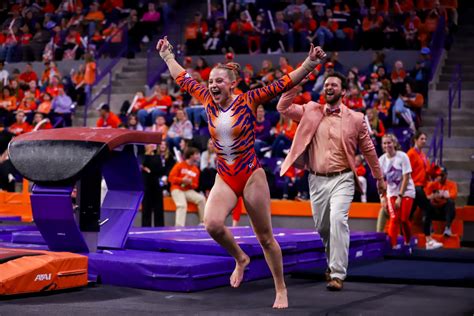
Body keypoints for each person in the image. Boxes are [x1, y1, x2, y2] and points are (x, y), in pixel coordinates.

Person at [157, 35, 326, 308]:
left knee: (265, 238)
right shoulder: (206, 99)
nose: (212, 85)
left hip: (250, 175)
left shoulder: (249, 100)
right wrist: (167, 56)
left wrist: (310, 63)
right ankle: (240, 258)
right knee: (212, 224)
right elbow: (182, 79)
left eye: (219, 81)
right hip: (225, 174)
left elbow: (283, 83)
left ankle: (280, 288)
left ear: (232, 83)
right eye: (211, 81)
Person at [276, 72, 386, 291]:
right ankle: (332, 263)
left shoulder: (356, 118)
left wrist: (379, 177)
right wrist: (295, 85)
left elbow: (369, 150)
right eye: (326, 84)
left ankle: (337, 273)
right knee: (323, 227)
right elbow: (282, 108)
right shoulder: (310, 110)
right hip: (316, 180)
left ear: (343, 91)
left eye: (334, 84)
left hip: (342, 178)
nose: (329, 87)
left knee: (337, 220)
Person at [407, 131, 442, 250]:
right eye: (422, 139)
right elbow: (407, 172)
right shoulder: (410, 154)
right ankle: (428, 240)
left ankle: (401, 238)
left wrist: (435, 169)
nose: (424, 141)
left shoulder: (423, 155)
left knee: (408, 215)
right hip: (414, 187)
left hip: (420, 187)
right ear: (415, 140)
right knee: (429, 209)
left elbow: (427, 173)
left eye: (425, 139)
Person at [378, 134, 415, 249]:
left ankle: (408, 242)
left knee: (403, 219)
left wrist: (400, 196)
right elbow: (380, 181)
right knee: (394, 218)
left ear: (394, 143)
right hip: (391, 192)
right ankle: (392, 246)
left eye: (389, 142)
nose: (387, 145)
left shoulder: (402, 156)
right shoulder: (381, 160)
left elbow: (406, 177)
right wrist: (382, 197)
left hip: (407, 191)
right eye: (384, 143)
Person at [168, 147, 206, 227]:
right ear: (191, 155)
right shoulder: (180, 165)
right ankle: (179, 226)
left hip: (188, 190)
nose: (198, 156)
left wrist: (190, 183)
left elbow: (196, 185)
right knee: (182, 205)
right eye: (196, 154)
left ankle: (203, 222)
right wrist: (182, 180)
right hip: (176, 188)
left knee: (201, 199)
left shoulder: (196, 170)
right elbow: (170, 178)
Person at [424, 166, 458, 237]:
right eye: (438, 175)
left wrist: (441, 195)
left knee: (450, 203)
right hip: (435, 210)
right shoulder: (432, 184)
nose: (440, 177)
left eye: (442, 175)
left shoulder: (452, 184)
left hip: (445, 211)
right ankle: (429, 228)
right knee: (426, 204)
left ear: (446, 175)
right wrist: (432, 196)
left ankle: (447, 228)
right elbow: (425, 197)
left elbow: (453, 195)